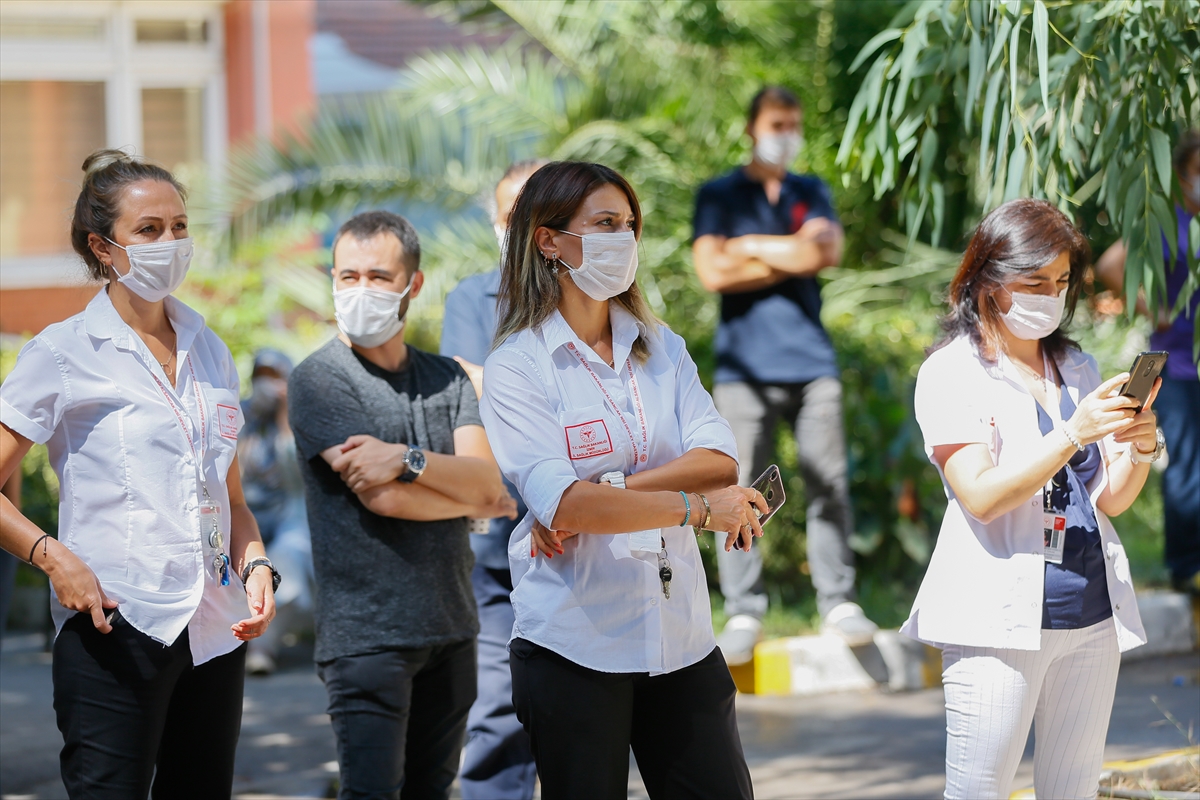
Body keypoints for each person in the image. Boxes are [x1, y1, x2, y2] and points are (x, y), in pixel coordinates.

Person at [480, 160, 765, 800]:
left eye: (630, 225)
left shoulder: (661, 347)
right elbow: (569, 504)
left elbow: (719, 460)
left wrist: (597, 499)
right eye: (605, 223)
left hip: (680, 638)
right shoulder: (518, 367)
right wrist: (692, 509)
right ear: (547, 240)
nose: (624, 239)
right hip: (574, 645)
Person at [0, 150, 277, 800]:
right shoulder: (62, 353)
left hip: (214, 625)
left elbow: (230, 498)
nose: (170, 243)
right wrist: (54, 558)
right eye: (149, 230)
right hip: (114, 626)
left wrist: (259, 567)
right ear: (103, 245)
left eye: (179, 227)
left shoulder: (210, 349)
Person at [904, 198, 1158, 800]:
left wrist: (1139, 448)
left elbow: (1109, 500)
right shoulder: (951, 373)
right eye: (1034, 281)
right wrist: (1073, 433)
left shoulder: (1075, 364)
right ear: (987, 280)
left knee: (1071, 792)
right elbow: (982, 496)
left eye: (1063, 281)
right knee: (979, 793)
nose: (1051, 294)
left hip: (1091, 614)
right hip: (997, 622)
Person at [288, 210, 516, 800]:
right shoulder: (319, 379)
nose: (359, 291)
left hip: (452, 627)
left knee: (434, 793)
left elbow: (490, 485)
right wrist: (468, 497)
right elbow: (384, 498)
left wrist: (407, 460)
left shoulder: (449, 379)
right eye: (347, 276)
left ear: (412, 285)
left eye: (378, 277)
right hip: (368, 639)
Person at [692, 85, 875, 662]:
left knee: (829, 485)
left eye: (793, 123)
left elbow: (821, 253)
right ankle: (745, 609)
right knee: (737, 489)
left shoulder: (809, 189)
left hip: (811, 363)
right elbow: (712, 272)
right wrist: (784, 250)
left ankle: (838, 602)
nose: (786, 133)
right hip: (743, 368)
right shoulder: (719, 194)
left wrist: (747, 247)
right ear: (752, 127)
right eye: (776, 122)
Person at [440, 160, 545, 800]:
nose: (520, 227)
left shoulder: (600, 298)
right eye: (510, 214)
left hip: (590, 525)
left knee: (590, 704)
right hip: (500, 528)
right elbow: (472, 387)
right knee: (498, 701)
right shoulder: (472, 298)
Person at [1095, 129, 1200, 594]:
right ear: (1180, 176)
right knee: (1183, 465)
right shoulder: (1165, 221)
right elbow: (1110, 266)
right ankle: (1186, 568)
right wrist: (1154, 311)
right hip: (1174, 363)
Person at [239, 348, 315, 675]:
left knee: (287, 561)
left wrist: (287, 418)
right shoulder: (239, 414)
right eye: (262, 376)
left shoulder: (299, 418)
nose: (268, 384)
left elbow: (297, 478)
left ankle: (261, 647)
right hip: (243, 517)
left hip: (287, 516)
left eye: (276, 376)